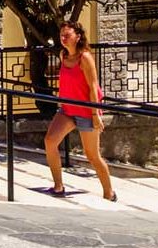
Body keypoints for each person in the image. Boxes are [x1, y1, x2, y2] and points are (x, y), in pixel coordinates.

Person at [41, 20, 117, 201]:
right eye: (62, 36)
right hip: (67, 109)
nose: (63, 39)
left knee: (92, 156)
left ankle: (109, 193)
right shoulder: (63, 55)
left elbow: (93, 87)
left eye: (67, 35)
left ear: (78, 36)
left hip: (86, 111)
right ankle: (58, 186)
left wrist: (96, 115)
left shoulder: (85, 58)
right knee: (50, 141)